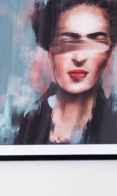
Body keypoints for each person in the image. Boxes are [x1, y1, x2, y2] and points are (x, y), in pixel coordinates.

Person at [14, 0, 117, 144]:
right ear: (50, 51)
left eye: (95, 41)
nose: (79, 57)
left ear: (109, 52)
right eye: (68, 41)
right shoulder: (23, 126)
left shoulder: (112, 128)